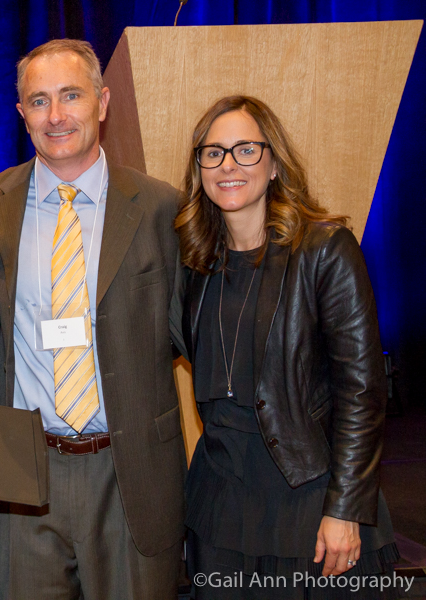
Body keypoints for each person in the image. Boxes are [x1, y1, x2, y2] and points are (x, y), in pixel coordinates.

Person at [0, 39, 185, 599]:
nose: (55, 115)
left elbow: (198, 332)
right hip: (21, 472)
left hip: (129, 471)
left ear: (102, 103)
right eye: (39, 101)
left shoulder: (163, 208)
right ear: (22, 114)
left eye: (71, 96)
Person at [172, 95, 398, 599]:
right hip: (219, 505)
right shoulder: (195, 262)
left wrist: (345, 508)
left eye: (245, 150)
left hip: (307, 500)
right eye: (213, 153)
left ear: (274, 163)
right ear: (199, 170)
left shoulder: (325, 251)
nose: (228, 165)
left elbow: (362, 393)